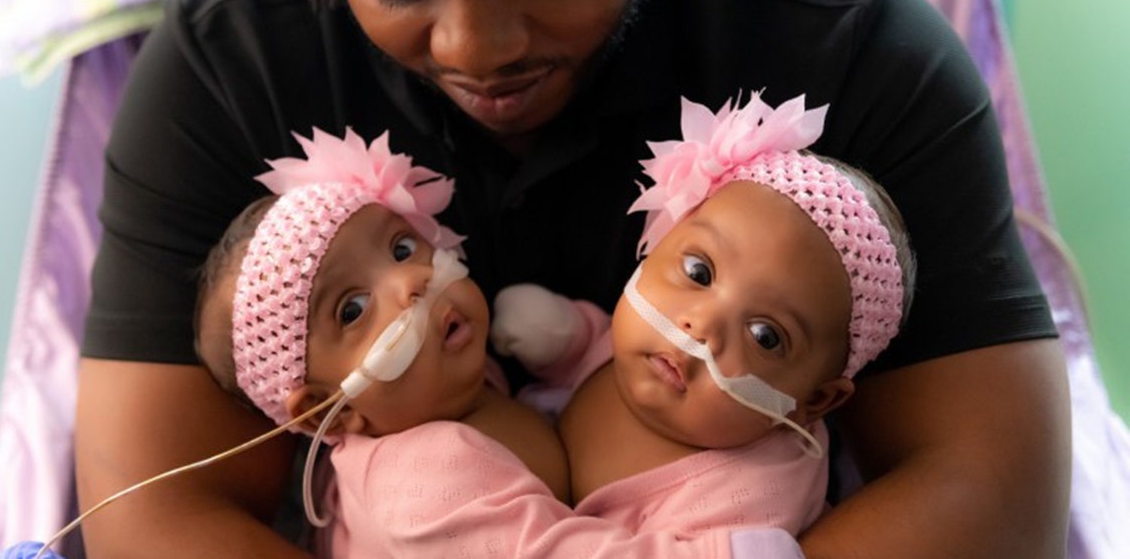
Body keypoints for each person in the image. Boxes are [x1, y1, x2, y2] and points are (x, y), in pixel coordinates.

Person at [74, 0, 1070, 557]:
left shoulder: (854, 48)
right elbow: (157, 507)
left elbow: (993, 486)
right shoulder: (219, 80)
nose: (478, 45)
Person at [191, 126, 794, 557]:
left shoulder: (453, 388)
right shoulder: (422, 485)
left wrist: (571, 343)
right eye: (352, 308)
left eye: (402, 247)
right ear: (332, 409)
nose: (413, 280)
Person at [490, 93, 914, 538]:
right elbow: (593, 348)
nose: (700, 325)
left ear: (814, 402)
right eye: (699, 271)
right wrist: (563, 339)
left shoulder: (745, 501)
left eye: (765, 336)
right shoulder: (641, 346)